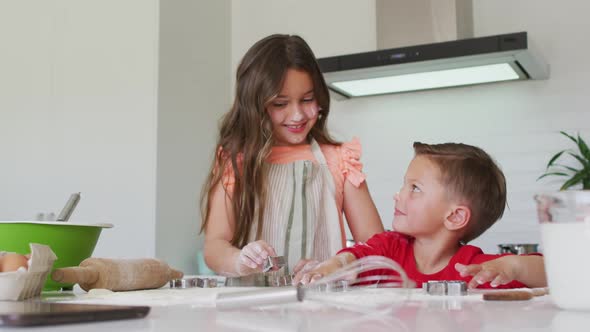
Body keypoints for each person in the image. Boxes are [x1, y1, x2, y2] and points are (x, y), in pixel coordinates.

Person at [199, 34, 384, 277]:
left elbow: (378, 249)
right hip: (251, 311)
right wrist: (241, 261)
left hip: (323, 308)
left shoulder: (340, 161)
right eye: (280, 104)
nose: (297, 115)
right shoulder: (236, 162)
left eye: (307, 99)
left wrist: (336, 266)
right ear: (255, 105)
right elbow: (215, 247)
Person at [294, 142, 547, 289]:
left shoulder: (472, 268)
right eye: (404, 185)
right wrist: (334, 266)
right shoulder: (390, 247)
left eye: (414, 188)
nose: (398, 195)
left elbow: (551, 274)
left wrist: (513, 265)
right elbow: (355, 256)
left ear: (455, 217)